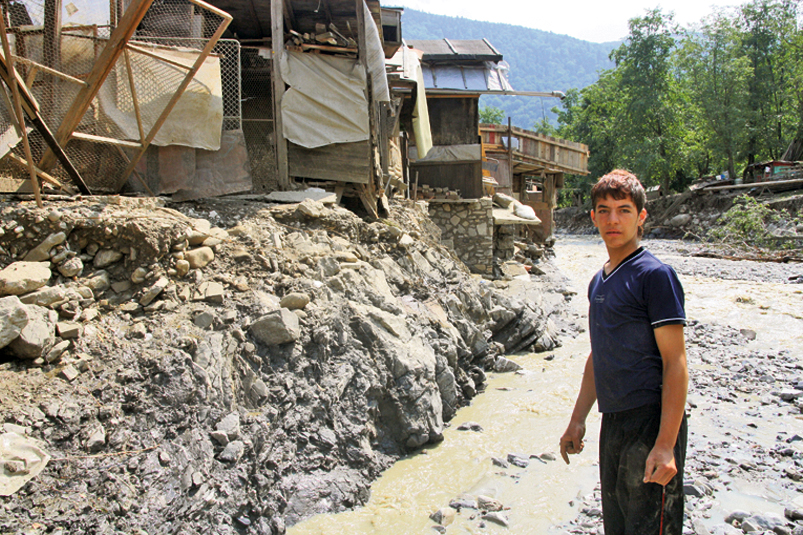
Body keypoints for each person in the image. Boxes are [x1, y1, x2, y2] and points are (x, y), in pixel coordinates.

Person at [559, 169, 689, 535]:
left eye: (623, 210)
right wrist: (578, 418)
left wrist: (665, 444)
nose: (612, 219)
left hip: (651, 421)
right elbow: (599, 354)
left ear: (641, 216)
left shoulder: (655, 276)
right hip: (613, 422)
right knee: (618, 525)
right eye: (604, 210)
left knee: (651, 527)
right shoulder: (599, 280)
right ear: (593, 218)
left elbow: (675, 361)